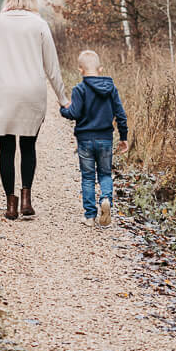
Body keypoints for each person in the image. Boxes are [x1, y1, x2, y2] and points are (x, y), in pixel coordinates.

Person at [0, 0, 69, 220]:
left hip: (4, 93)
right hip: (32, 93)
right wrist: (63, 98)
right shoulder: (39, 24)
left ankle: (11, 205)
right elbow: (52, 67)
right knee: (28, 146)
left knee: (6, 150)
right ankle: (27, 197)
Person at [59, 49, 128, 228]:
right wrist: (123, 137)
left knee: (88, 177)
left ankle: (90, 216)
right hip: (105, 139)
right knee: (105, 173)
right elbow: (120, 114)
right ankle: (105, 198)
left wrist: (63, 109)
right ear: (100, 69)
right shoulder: (111, 89)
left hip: (85, 140)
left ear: (80, 70)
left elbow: (73, 113)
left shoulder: (79, 89)